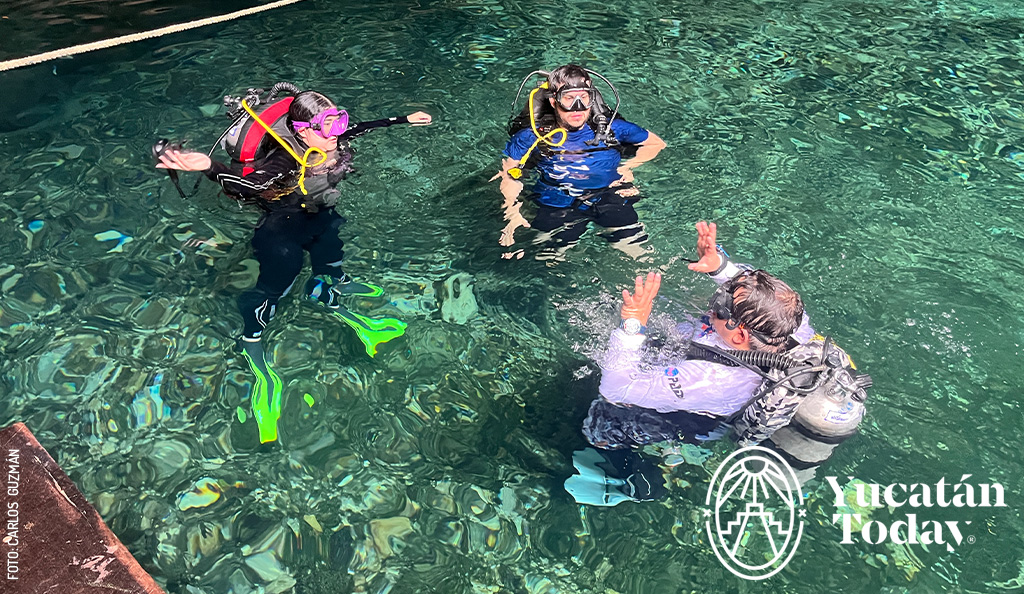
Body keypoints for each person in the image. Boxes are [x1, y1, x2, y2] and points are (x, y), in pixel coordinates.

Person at [156, 88, 432, 442]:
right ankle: (253, 343)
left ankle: (326, 287)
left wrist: (402, 119)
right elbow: (249, 186)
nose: (337, 132)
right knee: (278, 284)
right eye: (328, 126)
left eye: (339, 121)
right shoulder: (286, 159)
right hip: (281, 231)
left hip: (321, 215)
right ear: (303, 131)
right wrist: (211, 167)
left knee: (331, 256)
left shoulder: (332, 136)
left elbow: (361, 128)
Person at [565, 221, 868, 504]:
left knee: (600, 424)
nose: (714, 303)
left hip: (696, 420)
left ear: (739, 335)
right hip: (706, 375)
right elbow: (760, 292)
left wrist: (632, 327)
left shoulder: (706, 379)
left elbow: (617, 389)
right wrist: (720, 266)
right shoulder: (791, 326)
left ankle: (636, 480)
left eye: (720, 305)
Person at [495, 64, 666, 261]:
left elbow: (656, 144)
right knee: (546, 260)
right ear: (553, 101)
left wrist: (628, 167)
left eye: (583, 97)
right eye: (569, 98)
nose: (578, 107)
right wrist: (512, 212)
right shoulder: (531, 137)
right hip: (556, 202)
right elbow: (509, 174)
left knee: (641, 256)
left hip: (609, 196)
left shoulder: (612, 128)